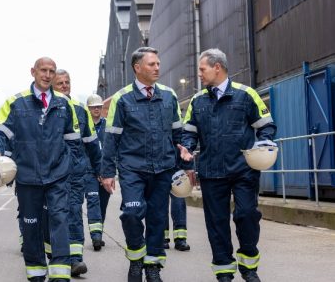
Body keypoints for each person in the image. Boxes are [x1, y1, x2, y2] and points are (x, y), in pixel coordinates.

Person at [178, 48, 277, 282]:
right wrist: (187, 148)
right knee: (217, 223)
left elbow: (267, 125)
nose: (199, 74)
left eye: (202, 69)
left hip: (243, 169)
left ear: (217, 67)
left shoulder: (245, 95)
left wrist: (263, 143)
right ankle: (224, 271)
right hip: (212, 172)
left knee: (246, 215)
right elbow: (188, 132)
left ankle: (249, 266)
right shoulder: (197, 100)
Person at [0, 57, 82, 282]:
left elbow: (74, 139)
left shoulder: (64, 103)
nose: (48, 75)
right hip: (28, 176)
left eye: (52, 71)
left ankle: (61, 273)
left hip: (58, 175)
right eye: (43, 70)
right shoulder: (16, 103)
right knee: (31, 224)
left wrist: (68, 166)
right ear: (33, 72)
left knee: (59, 219)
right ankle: (36, 273)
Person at [101, 47, 184, 282]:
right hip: (132, 168)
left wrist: (185, 166)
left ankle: (153, 266)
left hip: (163, 168)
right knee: (132, 213)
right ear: (137, 68)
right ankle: (136, 259)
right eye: (152, 64)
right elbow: (112, 137)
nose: (157, 67)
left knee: (158, 218)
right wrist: (107, 172)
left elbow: (179, 135)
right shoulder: (122, 98)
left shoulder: (169, 95)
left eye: (158, 63)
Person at [49, 69, 101, 277]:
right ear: (51, 86)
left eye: (67, 82)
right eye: (59, 83)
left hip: (75, 171)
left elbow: (92, 142)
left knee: (73, 212)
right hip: (50, 172)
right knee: (53, 214)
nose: (64, 86)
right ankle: (54, 255)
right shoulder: (45, 106)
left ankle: (75, 259)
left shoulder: (80, 109)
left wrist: (101, 170)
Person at [85, 93, 110, 250]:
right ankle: (96, 237)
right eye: (93, 107)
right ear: (88, 109)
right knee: (93, 201)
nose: (96, 109)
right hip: (89, 171)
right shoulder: (84, 127)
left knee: (103, 203)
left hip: (106, 171)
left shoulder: (108, 126)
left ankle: (98, 231)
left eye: (99, 107)